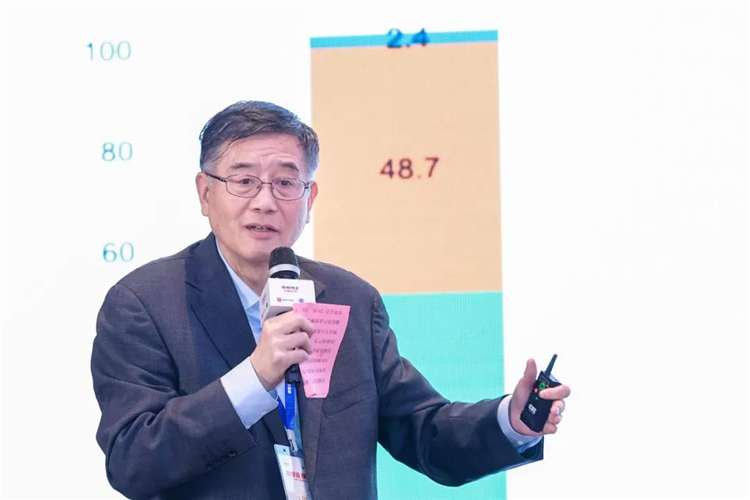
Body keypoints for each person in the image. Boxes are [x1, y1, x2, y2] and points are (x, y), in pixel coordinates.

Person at [91, 101, 571, 500]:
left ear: (310, 198)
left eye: (285, 183)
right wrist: (254, 377)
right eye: (243, 181)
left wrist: (511, 420)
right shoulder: (144, 304)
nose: (265, 201)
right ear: (205, 193)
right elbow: (134, 461)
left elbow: (422, 430)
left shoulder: (350, 300)